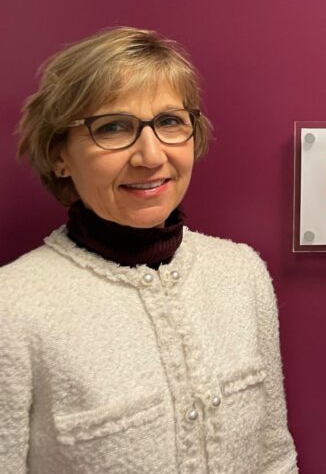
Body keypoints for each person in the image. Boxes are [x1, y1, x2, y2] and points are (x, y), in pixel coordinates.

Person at [0, 27, 299, 474]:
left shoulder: (241, 274)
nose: (150, 156)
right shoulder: (13, 307)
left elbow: (274, 456)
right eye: (113, 127)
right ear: (59, 154)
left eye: (169, 122)